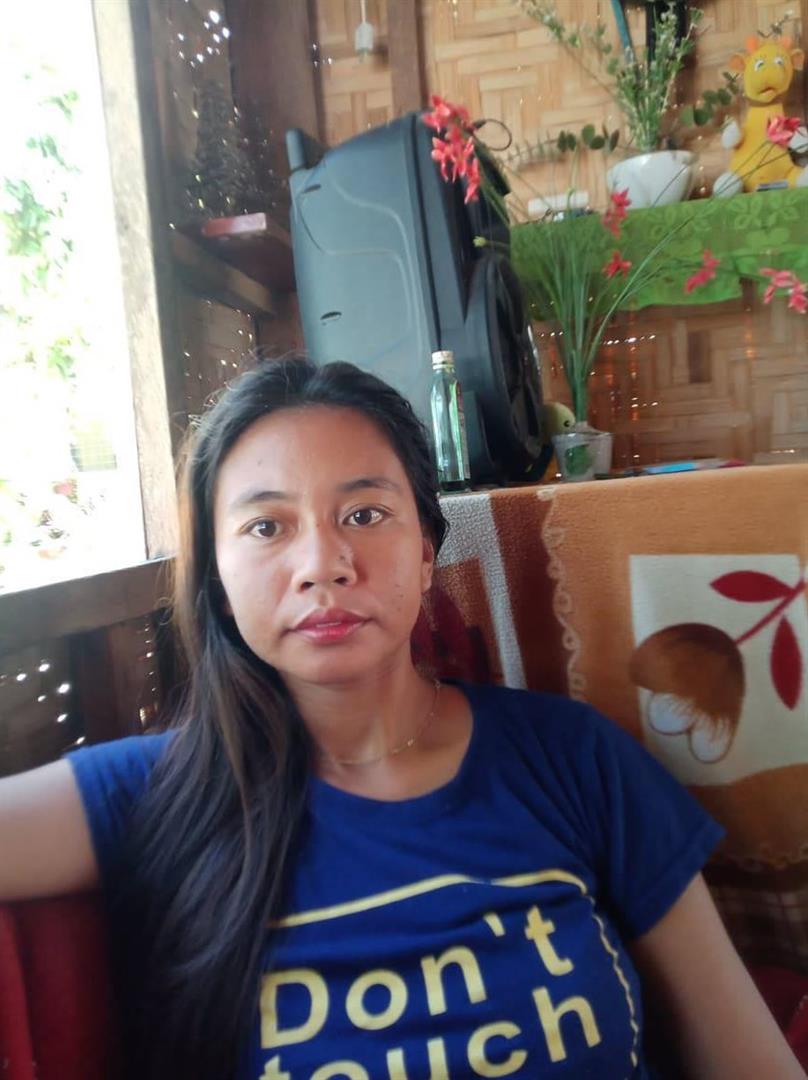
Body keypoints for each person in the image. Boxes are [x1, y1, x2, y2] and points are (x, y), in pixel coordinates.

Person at [0, 357, 802, 1080]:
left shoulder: (573, 758)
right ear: (217, 578)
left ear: (425, 555)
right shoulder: (153, 791)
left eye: (364, 514)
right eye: (266, 527)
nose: (322, 565)